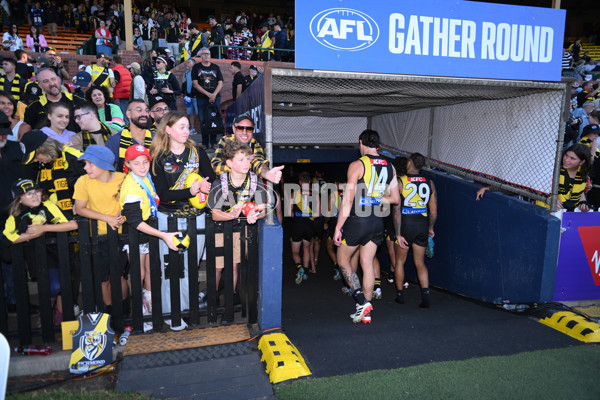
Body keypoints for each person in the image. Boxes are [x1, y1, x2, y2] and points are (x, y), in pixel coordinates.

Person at [149, 111, 216, 330]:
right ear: (167, 129)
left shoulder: (196, 152)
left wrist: (205, 186)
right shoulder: (158, 156)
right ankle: (171, 314)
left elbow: (211, 178)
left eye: (188, 127)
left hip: (195, 219)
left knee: (191, 268)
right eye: (181, 127)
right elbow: (164, 195)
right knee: (171, 269)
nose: (186, 131)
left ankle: (184, 311)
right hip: (168, 220)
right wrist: (191, 190)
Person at [333, 129, 399, 323]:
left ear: (361, 143)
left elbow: (348, 200)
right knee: (367, 263)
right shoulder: (391, 166)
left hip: (357, 220)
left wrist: (338, 227)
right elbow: (395, 198)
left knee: (342, 260)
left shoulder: (357, 165)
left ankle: (362, 301)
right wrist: (376, 197)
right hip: (376, 220)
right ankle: (366, 311)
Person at [120, 144, 180, 330]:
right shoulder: (131, 186)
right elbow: (135, 221)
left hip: (149, 231)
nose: (142, 166)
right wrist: (163, 235)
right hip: (137, 233)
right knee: (139, 274)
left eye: (145, 162)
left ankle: (150, 310)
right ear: (128, 164)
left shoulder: (146, 178)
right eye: (136, 163)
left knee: (152, 272)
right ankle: (138, 313)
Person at [2, 179, 77, 325]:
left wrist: (44, 228)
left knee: (64, 287)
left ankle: (61, 323)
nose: (35, 196)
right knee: (54, 286)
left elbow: (72, 224)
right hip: (38, 256)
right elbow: (7, 238)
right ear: (19, 199)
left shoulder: (47, 205)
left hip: (59, 252)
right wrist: (30, 235)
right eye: (29, 194)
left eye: (36, 192)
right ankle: (45, 317)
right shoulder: (15, 215)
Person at [207, 140, 268, 306]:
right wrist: (232, 215)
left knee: (234, 267)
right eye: (241, 160)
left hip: (242, 231)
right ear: (229, 163)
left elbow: (263, 209)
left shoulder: (255, 180)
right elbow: (215, 215)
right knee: (218, 267)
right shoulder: (220, 182)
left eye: (248, 159)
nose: (246, 163)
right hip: (220, 229)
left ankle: (230, 298)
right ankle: (212, 299)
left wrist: (255, 215)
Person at [72, 145, 129, 315]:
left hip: (121, 236)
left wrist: (124, 215)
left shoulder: (124, 178)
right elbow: (80, 208)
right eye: (85, 164)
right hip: (96, 238)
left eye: (90, 164)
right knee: (103, 279)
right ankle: (110, 314)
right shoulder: (83, 181)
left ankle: (125, 311)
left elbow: (134, 202)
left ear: (103, 164)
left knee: (118, 276)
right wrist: (107, 218)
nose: (85, 168)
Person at [393, 152, 438, 308]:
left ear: (410, 163)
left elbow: (396, 210)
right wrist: (430, 228)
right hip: (421, 224)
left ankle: (400, 295)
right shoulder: (429, 182)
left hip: (406, 224)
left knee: (400, 261)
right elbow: (433, 211)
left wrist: (397, 233)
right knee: (420, 262)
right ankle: (425, 294)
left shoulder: (401, 181)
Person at [20, 130, 85, 218]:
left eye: (35, 156)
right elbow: (44, 188)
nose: (35, 161)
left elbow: (93, 184)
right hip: (59, 216)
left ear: (45, 149)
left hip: (81, 213)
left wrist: (80, 203)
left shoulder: (74, 157)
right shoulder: (44, 165)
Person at [212, 112, 284, 184]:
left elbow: (258, 163)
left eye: (249, 129)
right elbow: (215, 164)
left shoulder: (254, 144)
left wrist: (267, 173)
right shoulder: (226, 140)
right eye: (240, 128)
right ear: (234, 129)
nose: (244, 132)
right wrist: (241, 165)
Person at [23, 67, 85, 133]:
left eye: (53, 79)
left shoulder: (78, 101)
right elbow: (28, 135)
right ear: (40, 86)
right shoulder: (33, 107)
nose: (52, 84)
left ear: (58, 80)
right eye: (46, 81)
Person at [106, 100, 155, 172]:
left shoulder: (156, 138)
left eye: (146, 111)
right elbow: (107, 170)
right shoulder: (115, 141)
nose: (144, 114)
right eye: (139, 110)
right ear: (128, 114)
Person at [288, 171, 318, 284]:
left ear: (300, 182)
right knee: (306, 249)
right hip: (309, 226)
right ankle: (305, 272)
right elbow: (318, 213)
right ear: (309, 181)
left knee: (295, 251)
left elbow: (289, 212)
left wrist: (297, 215)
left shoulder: (294, 194)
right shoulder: (314, 194)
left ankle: (299, 267)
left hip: (297, 225)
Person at [191, 48, 223, 149]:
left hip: (215, 98)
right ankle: (205, 143)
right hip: (202, 98)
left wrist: (214, 95)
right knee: (203, 120)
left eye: (208, 54)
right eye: (204, 54)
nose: (206, 56)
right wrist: (209, 95)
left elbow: (220, 83)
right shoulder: (196, 67)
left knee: (214, 119)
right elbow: (195, 84)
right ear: (200, 56)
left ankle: (213, 142)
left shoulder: (215, 67)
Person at [553, 144, 593, 212]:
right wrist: (551, 199)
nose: (566, 160)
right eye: (566, 155)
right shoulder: (554, 168)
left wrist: (583, 202)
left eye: (572, 158)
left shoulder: (583, 173)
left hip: (569, 211)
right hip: (549, 209)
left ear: (582, 162)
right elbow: (540, 188)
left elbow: (579, 191)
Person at [111, 55, 132, 123]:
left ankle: (126, 129)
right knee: (128, 113)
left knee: (123, 114)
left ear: (114, 62)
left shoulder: (116, 71)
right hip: (128, 94)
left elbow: (115, 83)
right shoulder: (126, 70)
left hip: (122, 95)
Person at [181, 58, 198, 133]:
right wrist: (183, 94)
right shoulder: (186, 73)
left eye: (189, 62)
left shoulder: (197, 72)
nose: (187, 64)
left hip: (196, 96)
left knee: (198, 113)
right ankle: (193, 129)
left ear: (193, 64)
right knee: (190, 113)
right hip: (188, 97)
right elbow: (183, 84)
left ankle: (202, 128)